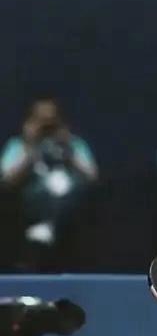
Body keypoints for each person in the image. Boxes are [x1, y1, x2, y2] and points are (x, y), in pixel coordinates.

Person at [0, 97, 97, 270]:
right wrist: (30, 149)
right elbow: (7, 181)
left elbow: (92, 177)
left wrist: (68, 150)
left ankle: (50, 228)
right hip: (30, 210)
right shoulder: (17, 145)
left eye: (51, 122)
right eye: (41, 121)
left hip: (70, 214)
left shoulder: (75, 145)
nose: (47, 128)